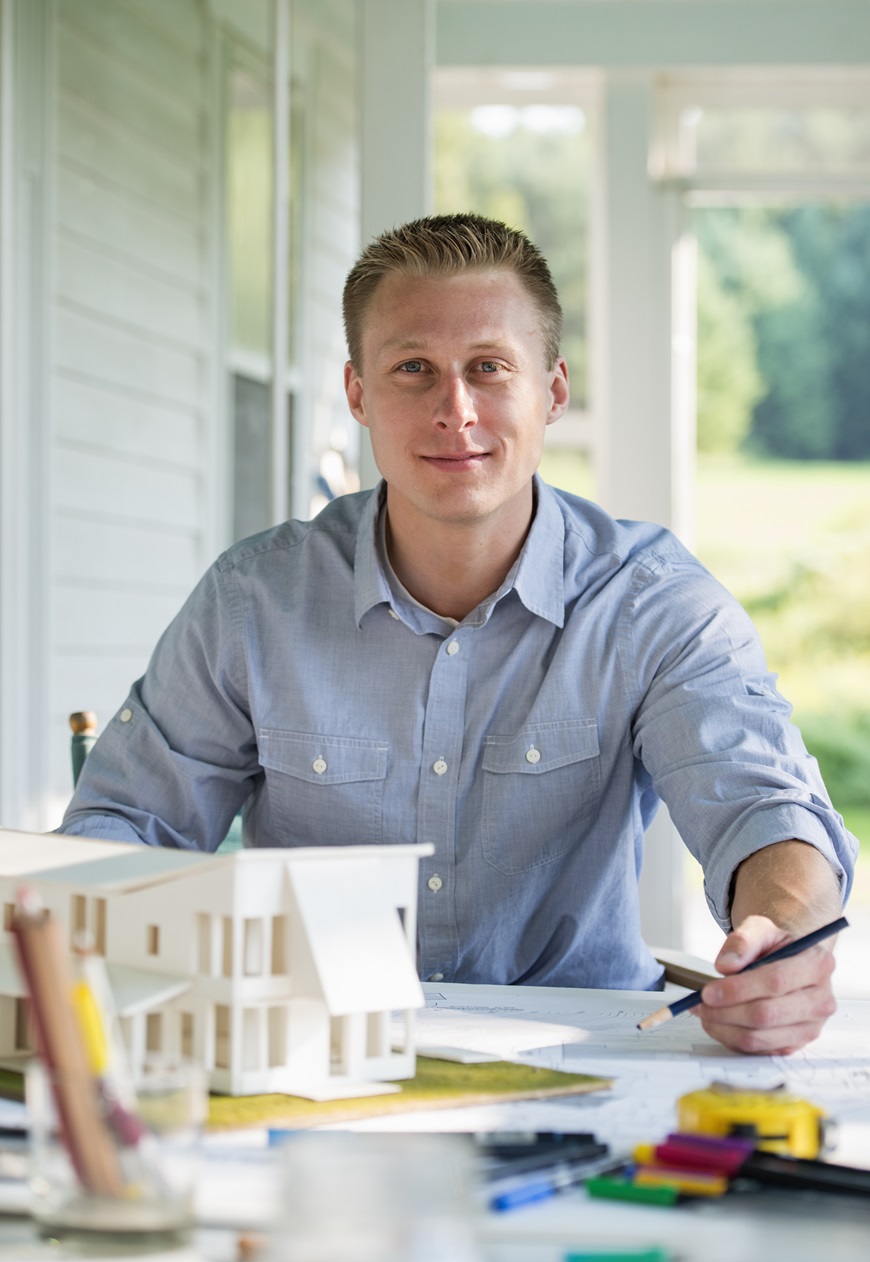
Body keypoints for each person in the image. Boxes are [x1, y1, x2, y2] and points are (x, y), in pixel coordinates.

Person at [60, 213, 857, 1055]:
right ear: (359, 393)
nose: (455, 410)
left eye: (489, 368)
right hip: (311, 1056)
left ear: (552, 390)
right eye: (414, 369)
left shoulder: (651, 603)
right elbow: (126, 828)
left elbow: (765, 811)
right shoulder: (253, 601)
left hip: (584, 1058)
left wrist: (781, 934)